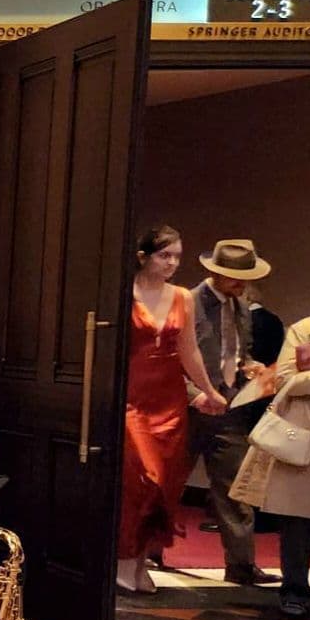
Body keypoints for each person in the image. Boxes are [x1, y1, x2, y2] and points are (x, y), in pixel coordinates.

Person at [120, 227, 228, 595]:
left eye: (177, 257)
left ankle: (140, 562)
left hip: (169, 399)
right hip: (132, 396)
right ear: (143, 256)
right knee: (142, 478)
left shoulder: (183, 297)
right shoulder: (124, 292)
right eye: (165, 255)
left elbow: (189, 350)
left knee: (165, 483)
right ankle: (122, 558)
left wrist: (209, 391)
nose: (172, 263)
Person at [232, 261, 310, 619]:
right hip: (309, 434)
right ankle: (294, 590)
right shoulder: (305, 330)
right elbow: (287, 379)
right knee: (298, 519)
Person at [188, 239, 280, 587]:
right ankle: (148, 551)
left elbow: (236, 353)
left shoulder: (240, 306)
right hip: (189, 407)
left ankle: (241, 565)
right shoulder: (190, 302)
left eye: (245, 277)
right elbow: (172, 356)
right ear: (214, 271)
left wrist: (250, 368)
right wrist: (196, 394)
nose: (240, 284)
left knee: (235, 488)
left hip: (228, 406)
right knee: (164, 484)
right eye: (233, 277)